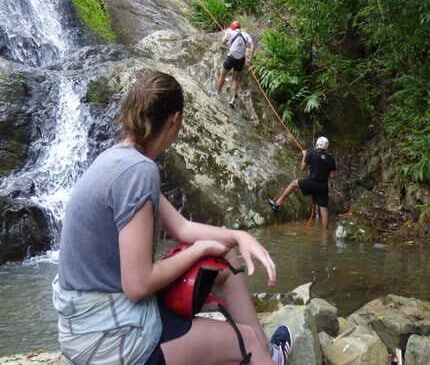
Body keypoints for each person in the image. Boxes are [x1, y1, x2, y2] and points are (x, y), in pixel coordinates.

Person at [53, 70, 293, 365]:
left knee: (226, 262)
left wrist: (238, 237)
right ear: (174, 120)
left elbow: (182, 226)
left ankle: (266, 357)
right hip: (111, 338)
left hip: (85, 325)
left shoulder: (117, 159)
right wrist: (201, 249)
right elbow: (138, 284)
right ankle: (261, 354)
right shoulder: (138, 171)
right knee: (249, 341)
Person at [267, 136, 336, 229]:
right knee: (324, 209)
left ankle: (278, 203)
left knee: (293, 183)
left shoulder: (311, 153)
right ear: (326, 146)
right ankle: (325, 234)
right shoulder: (330, 159)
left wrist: (304, 155)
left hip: (312, 182)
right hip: (323, 186)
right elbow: (332, 175)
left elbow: (302, 168)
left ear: (317, 144)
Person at [214, 21, 255, 107]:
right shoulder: (246, 35)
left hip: (231, 58)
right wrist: (249, 59)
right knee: (235, 79)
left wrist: (226, 34)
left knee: (222, 75)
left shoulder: (230, 32)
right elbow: (252, 46)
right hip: (241, 60)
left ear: (232, 27)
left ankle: (217, 93)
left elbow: (223, 43)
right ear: (240, 27)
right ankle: (232, 99)